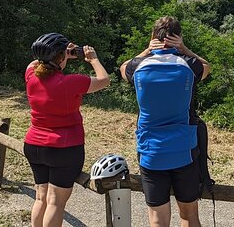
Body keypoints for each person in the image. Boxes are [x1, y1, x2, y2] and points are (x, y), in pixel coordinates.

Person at [120, 16, 210, 227]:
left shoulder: (138, 66)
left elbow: (123, 67)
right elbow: (207, 66)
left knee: (158, 220)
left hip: (151, 152)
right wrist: (185, 49)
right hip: (184, 151)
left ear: (153, 38)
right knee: (189, 216)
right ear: (179, 37)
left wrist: (146, 50)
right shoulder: (189, 65)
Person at [24, 33, 110, 227]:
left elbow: (35, 63)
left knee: (41, 198)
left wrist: (61, 54)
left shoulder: (31, 76)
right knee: (55, 203)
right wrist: (93, 59)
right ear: (60, 57)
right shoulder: (71, 82)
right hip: (63, 148)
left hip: (34, 145)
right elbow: (104, 80)